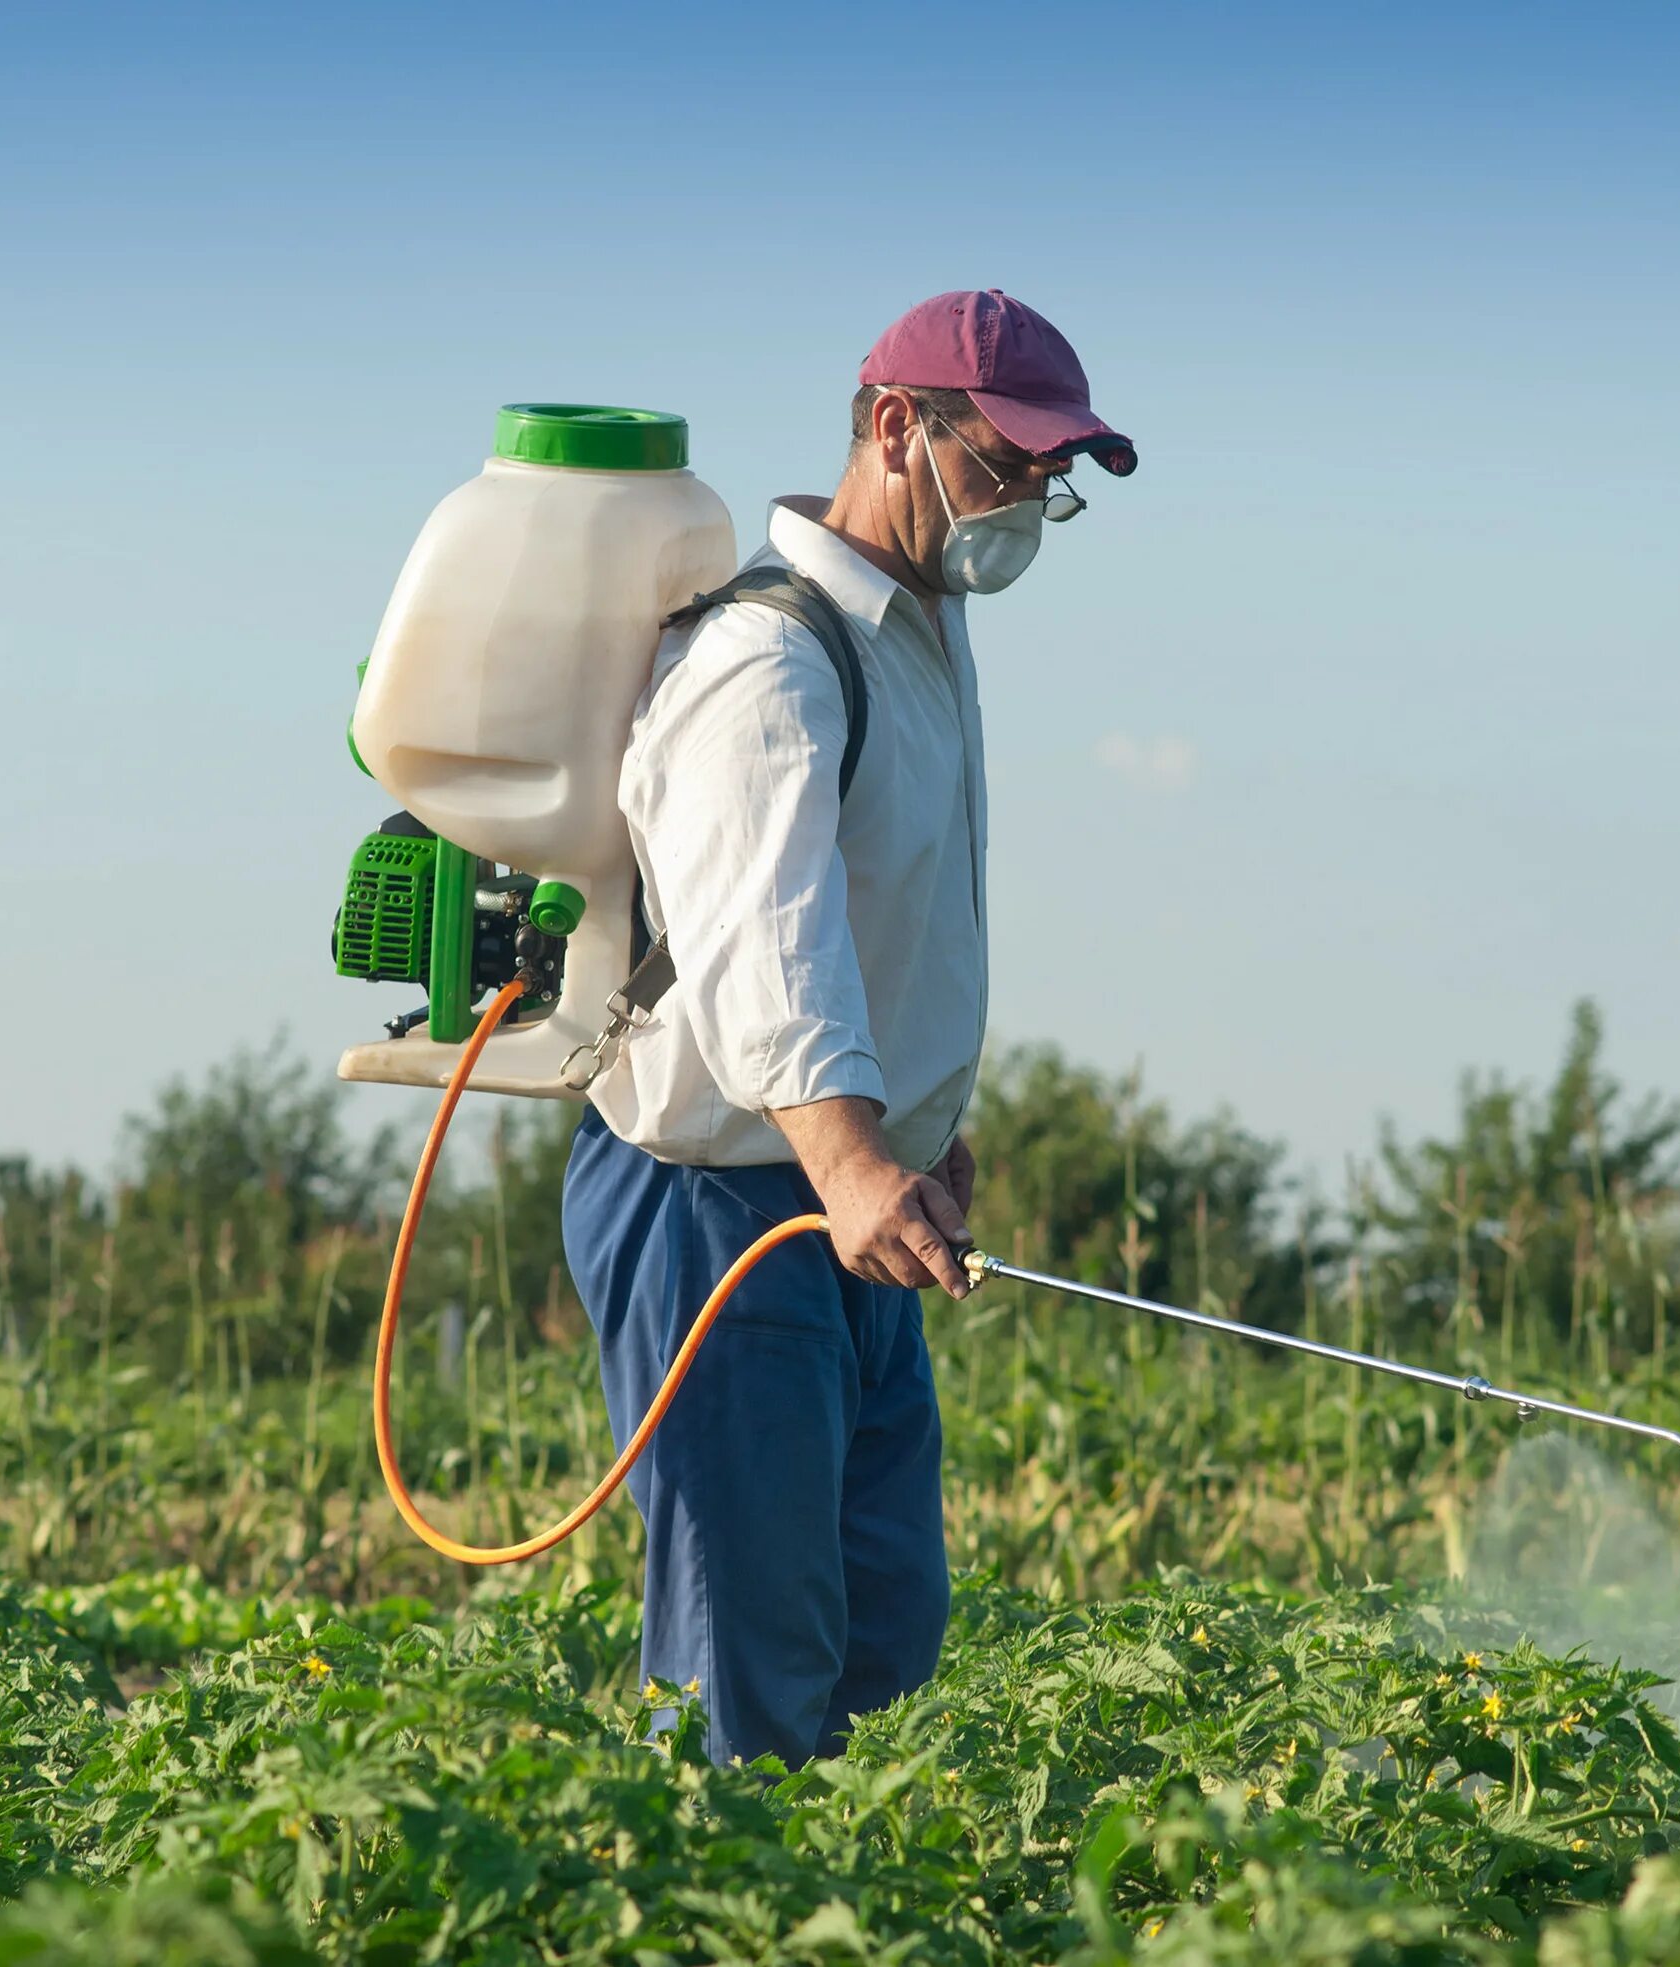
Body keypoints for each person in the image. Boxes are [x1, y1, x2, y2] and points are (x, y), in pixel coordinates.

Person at [563, 289, 1137, 1767]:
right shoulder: (768, 656)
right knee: (755, 1661)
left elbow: (904, 917)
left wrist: (922, 1136)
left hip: (843, 1191)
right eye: (1008, 464)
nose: (1027, 502)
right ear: (899, 427)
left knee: (884, 1626)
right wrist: (850, 1153)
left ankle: (844, 1906)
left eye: (1047, 482)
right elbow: (770, 942)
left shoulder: (919, 635)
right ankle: (713, 1914)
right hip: (721, 1204)